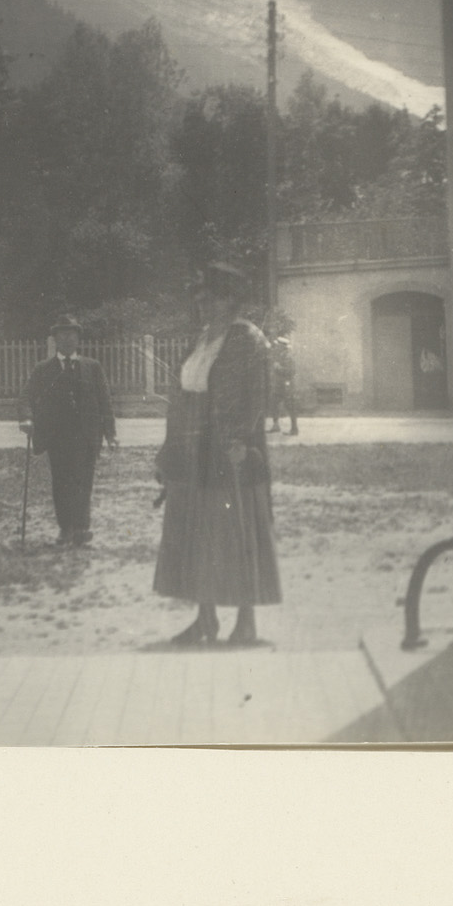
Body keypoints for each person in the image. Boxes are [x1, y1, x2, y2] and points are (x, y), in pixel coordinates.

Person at [152, 263, 283, 649]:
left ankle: (246, 622)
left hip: (230, 451)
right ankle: (205, 619)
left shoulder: (247, 339)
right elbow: (182, 396)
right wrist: (168, 450)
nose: (202, 305)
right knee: (197, 534)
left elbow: (257, 395)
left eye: (211, 298)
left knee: (235, 534)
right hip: (192, 453)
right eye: (199, 299)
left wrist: (241, 439)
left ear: (230, 300)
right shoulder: (202, 339)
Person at [21, 314, 118, 546]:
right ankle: (66, 528)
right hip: (58, 437)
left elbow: (105, 402)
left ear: (78, 339)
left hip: (86, 436)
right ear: (55, 339)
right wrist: (26, 418)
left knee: (84, 482)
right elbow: (26, 397)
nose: (67, 339)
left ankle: (82, 529)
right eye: (62, 335)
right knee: (62, 482)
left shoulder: (92, 367)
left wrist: (111, 434)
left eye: (71, 334)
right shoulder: (43, 369)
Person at [268, 319, 302, 436]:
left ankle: (294, 429)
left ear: (283, 347)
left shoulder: (288, 357)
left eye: (278, 346)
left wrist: (279, 368)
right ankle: (276, 425)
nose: (276, 347)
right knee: (274, 404)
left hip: (287, 386)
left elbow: (291, 371)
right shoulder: (279, 356)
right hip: (279, 386)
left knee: (290, 407)